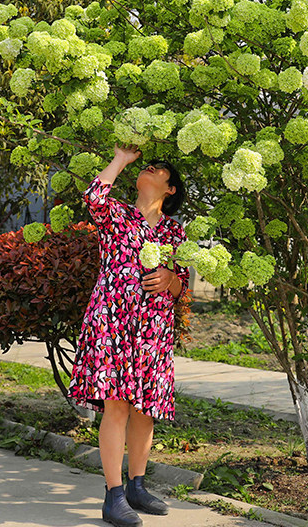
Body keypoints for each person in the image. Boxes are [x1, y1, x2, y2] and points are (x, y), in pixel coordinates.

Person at [68, 145, 189, 527]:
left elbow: (182, 282)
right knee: (117, 405)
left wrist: (172, 279)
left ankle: (137, 486)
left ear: (170, 190)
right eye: (147, 167)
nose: (148, 170)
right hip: (112, 321)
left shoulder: (175, 231)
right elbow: (93, 197)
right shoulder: (117, 215)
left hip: (152, 329)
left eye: (157, 169)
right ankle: (113, 495)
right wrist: (121, 159)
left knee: (144, 409)